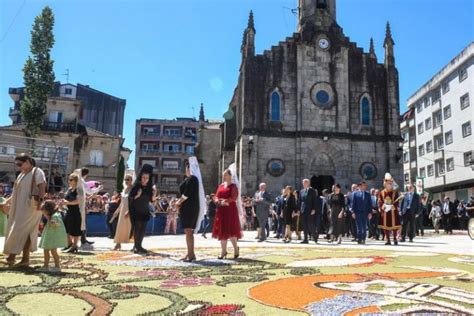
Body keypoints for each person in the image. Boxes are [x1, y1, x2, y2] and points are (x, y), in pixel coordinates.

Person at [1, 153, 46, 267]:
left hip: (31, 207)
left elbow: (42, 186)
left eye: (20, 164)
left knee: (17, 230)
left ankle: (12, 256)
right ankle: (24, 259)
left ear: (27, 161)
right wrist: (7, 201)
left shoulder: (37, 171)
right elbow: (17, 191)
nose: (18, 166)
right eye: (16, 164)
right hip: (20, 207)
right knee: (25, 231)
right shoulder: (22, 174)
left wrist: (40, 202)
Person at [176, 158, 205, 262]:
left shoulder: (193, 179)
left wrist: (178, 202)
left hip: (190, 208)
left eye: (187, 167)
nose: (186, 169)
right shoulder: (188, 179)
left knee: (188, 231)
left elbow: (186, 194)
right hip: (186, 208)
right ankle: (189, 253)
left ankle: (191, 254)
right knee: (187, 231)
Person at [212, 169, 242, 259]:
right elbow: (216, 196)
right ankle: (223, 251)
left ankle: (236, 249)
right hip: (221, 211)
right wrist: (217, 200)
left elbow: (234, 197)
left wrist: (226, 201)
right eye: (223, 175)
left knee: (231, 231)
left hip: (230, 211)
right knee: (222, 231)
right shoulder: (221, 186)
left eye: (225, 175)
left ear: (230, 176)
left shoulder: (233, 186)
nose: (223, 176)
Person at [129, 164, 154, 254]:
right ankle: (136, 246)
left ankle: (139, 246)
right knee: (137, 228)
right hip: (136, 210)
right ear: (140, 177)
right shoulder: (136, 186)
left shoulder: (148, 188)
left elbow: (151, 200)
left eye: (147, 178)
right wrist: (137, 196)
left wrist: (154, 193)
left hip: (144, 210)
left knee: (143, 229)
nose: (145, 180)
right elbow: (130, 198)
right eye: (143, 178)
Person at [38, 201, 68, 272]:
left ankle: (57, 266)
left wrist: (49, 219)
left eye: (44, 212)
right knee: (46, 251)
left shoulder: (55, 216)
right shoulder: (54, 215)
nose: (43, 214)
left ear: (48, 210)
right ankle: (45, 266)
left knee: (53, 251)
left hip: (52, 237)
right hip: (49, 236)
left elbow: (55, 224)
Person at [377, 173, 402, 245]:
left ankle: (395, 239)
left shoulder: (395, 192)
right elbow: (379, 201)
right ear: (385, 184)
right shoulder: (381, 192)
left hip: (393, 211)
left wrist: (392, 206)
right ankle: (388, 239)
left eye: (390, 183)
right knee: (385, 226)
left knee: (394, 226)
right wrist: (383, 206)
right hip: (384, 212)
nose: (389, 185)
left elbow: (397, 201)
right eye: (388, 183)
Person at [113, 172, 134, 251]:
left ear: (131, 180)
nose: (126, 181)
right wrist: (117, 211)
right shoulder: (124, 190)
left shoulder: (133, 190)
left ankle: (135, 245)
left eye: (128, 179)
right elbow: (122, 202)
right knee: (119, 227)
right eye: (125, 179)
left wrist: (129, 210)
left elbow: (133, 202)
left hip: (130, 211)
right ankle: (118, 243)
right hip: (122, 211)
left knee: (131, 228)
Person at [62, 174, 82, 253]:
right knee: (66, 228)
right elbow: (65, 199)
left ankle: (74, 245)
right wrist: (63, 202)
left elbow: (78, 201)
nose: (69, 181)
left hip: (76, 211)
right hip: (68, 211)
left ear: (76, 181)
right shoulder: (69, 189)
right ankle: (69, 243)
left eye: (71, 180)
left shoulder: (78, 190)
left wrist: (68, 203)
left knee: (75, 229)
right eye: (69, 179)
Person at [298, 179, 319, 244]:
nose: (304, 184)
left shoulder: (312, 191)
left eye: (306, 183)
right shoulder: (301, 191)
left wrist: (314, 209)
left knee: (310, 224)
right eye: (303, 183)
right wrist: (298, 209)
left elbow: (315, 201)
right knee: (304, 225)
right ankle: (305, 239)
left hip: (310, 210)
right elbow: (300, 201)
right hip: (303, 210)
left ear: (309, 183)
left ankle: (315, 236)